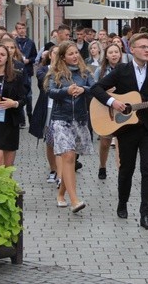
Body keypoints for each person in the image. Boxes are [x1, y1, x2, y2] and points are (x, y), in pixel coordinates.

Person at [91, 33, 148, 231]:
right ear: (132, 49)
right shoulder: (121, 71)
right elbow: (97, 88)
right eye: (142, 46)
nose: (146, 50)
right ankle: (122, 202)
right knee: (127, 168)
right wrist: (114, 102)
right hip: (126, 128)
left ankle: (146, 215)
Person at [45, 41, 94, 212]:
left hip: (79, 119)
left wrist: (83, 89)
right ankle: (75, 200)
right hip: (61, 119)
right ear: (63, 57)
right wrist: (65, 91)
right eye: (70, 54)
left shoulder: (85, 72)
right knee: (67, 156)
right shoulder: (56, 73)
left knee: (71, 160)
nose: (74, 56)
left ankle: (61, 194)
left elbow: (95, 89)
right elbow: (50, 91)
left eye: (76, 53)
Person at [29, 46, 60, 184]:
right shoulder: (42, 70)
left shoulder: (71, 69)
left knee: (62, 141)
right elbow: (44, 83)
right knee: (50, 141)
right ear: (49, 55)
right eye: (55, 52)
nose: (57, 55)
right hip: (48, 107)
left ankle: (62, 171)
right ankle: (53, 170)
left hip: (63, 109)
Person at [94, 43, 124, 180]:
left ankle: (121, 172)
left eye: (116, 52)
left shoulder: (126, 69)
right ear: (106, 55)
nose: (114, 55)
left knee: (120, 142)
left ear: (120, 54)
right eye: (110, 52)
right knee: (105, 142)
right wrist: (105, 92)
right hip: (105, 109)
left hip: (121, 109)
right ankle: (102, 165)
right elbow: (94, 90)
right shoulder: (100, 71)